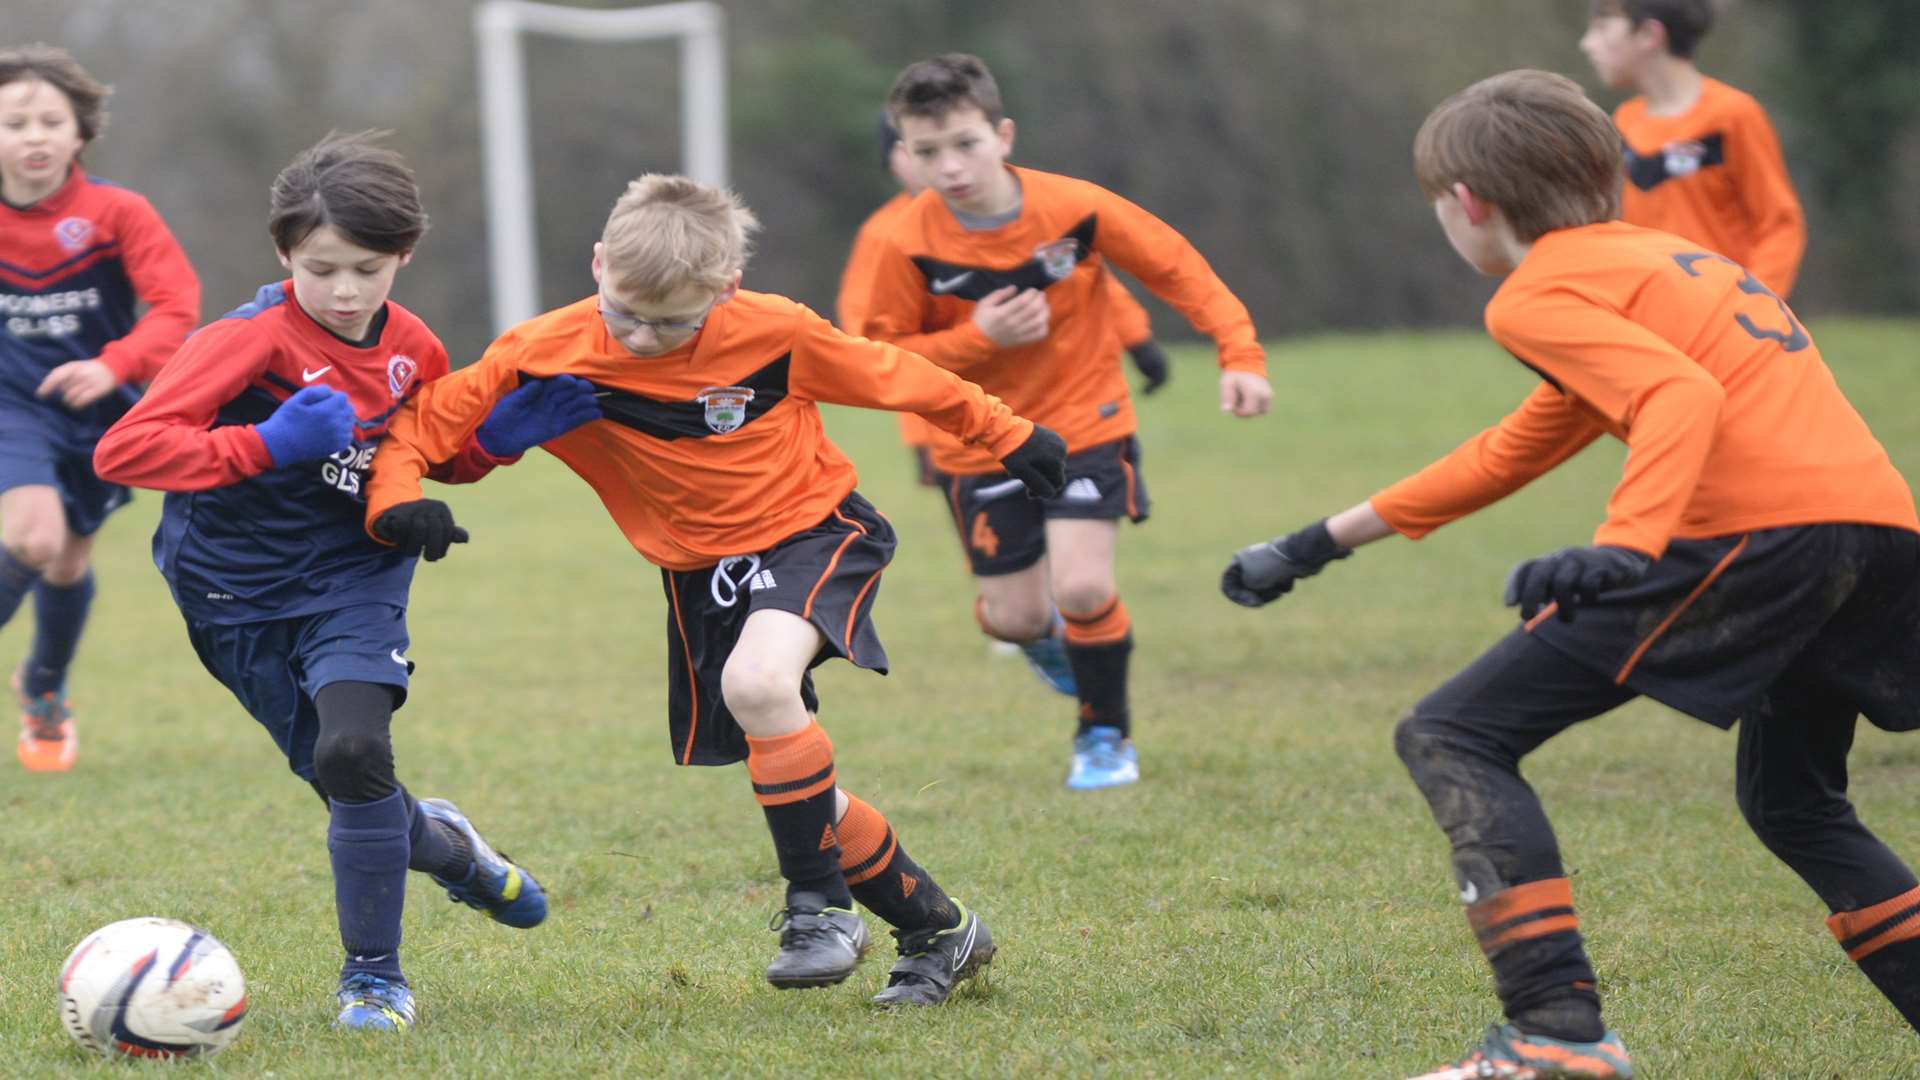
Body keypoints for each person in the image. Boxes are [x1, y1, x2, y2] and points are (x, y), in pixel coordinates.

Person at [1221, 69, 1920, 1079]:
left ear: (1468, 205)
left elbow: (1678, 398)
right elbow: (1518, 445)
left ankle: (1558, 1032)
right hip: (1876, 531)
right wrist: (1318, 542)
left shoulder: (1538, 291)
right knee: (1795, 803)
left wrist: (1626, 547)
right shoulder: (1665, 262)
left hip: (1755, 536)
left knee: (1456, 733)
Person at [362, 174, 1067, 1006]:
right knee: (799, 787)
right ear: (597, 265)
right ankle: (940, 930)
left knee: (758, 685)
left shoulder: (777, 334)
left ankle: (819, 910)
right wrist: (398, 503)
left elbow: (901, 377)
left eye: (672, 323)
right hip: (702, 577)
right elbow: (418, 430)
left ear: (725, 291)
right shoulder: (544, 348)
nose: (642, 336)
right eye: (623, 311)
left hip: (816, 530)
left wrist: (1009, 433)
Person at [94, 132, 596, 1031]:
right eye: (322, 268)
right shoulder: (246, 341)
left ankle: (374, 980)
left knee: (353, 754)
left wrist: (495, 442)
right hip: (229, 593)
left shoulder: (414, 349)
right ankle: (452, 853)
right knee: (340, 787)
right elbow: (125, 448)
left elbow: (423, 460)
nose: (346, 292)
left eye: (368, 268)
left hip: (354, 575)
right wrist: (263, 444)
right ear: (285, 254)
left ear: (403, 256)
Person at [857, 53, 1271, 791]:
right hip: (977, 441)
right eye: (927, 152)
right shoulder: (901, 243)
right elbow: (880, 361)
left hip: (1086, 421)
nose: (949, 167)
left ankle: (1104, 735)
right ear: (905, 154)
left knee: (1082, 589)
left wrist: (1238, 351)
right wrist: (978, 338)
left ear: (1004, 135)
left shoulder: (1074, 208)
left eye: (965, 144)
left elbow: (1177, 267)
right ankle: (1046, 639)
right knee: (1013, 619)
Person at [0, 43, 199, 771]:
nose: (33, 136)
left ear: (78, 133)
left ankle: (43, 687)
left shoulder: (117, 213)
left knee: (68, 557)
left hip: (104, 412)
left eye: (49, 120)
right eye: (14, 121)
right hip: (11, 406)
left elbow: (177, 305)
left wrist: (114, 364)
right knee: (33, 537)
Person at [837, 111, 1169, 489]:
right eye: (916, 149)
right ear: (894, 160)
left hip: (1061, 406)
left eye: (955, 144)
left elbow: (1084, 275)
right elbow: (880, 345)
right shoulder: (886, 237)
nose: (940, 161)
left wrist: (1138, 340)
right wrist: (920, 433)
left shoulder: (1019, 209)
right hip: (960, 425)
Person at [1579, 0, 1805, 297]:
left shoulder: (1733, 116)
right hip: (1651, 321)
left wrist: (1754, 304)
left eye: (1601, 27)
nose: (1587, 44)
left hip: (1721, 321)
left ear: (1649, 35)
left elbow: (1779, 225)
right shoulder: (1623, 123)